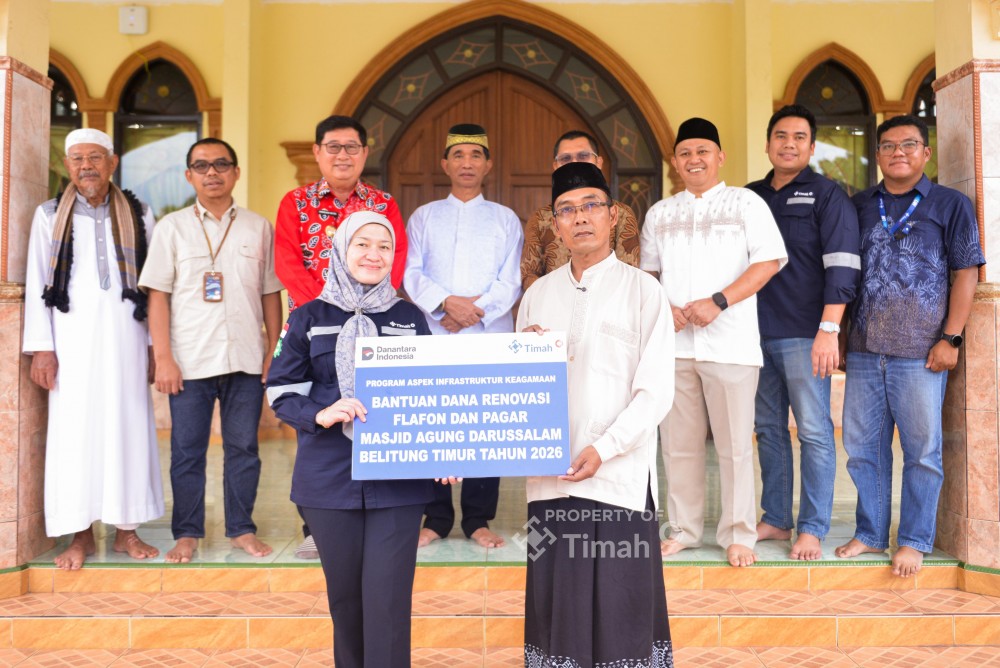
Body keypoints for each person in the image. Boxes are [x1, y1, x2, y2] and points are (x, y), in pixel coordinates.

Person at [518, 161, 674, 666]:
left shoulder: (643, 291)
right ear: (555, 224)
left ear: (612, 217)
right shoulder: (537, 296)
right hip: (551, 479)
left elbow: (655, 393)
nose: (579, 217)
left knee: (620, 613)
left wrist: (603, 448)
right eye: (567, 210)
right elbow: (517, 390)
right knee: (555, 610)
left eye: (590, 206)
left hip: (617, 479)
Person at [267, 211, 434, 668]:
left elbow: (432, 392)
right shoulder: (306, 317)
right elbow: (280, 390)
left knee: (388, 602)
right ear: (341, 249)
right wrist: (319, 413)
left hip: (399, 482)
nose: (374, 254)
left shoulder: (408, 317)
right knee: (345, 602)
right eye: (362, 244)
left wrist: (444, 447)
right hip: (328, 481)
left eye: (384, 246)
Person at [835, 115, 983, 577]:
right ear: (877, 155)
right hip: (863, 348)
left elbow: (966, 272)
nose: (898, 152)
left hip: (922, 352)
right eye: (888, 146)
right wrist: (838, 336)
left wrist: (951, 337)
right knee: (862, 448)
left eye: (909, 145)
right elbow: (843, 273)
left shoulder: (950, 204)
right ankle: (871, 532)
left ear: (926, 153)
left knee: (922, 450)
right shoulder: (858, 206)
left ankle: (915, 539)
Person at [641, 117, 787, 567]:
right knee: (678, 446)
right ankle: (683, 530)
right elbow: (648, 274)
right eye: (685, 153)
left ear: (720, 156)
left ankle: (738, 534)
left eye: (703, 151)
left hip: (732, 346)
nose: (694, 159)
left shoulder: (746, 203)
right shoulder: (660, 213)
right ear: (674, 162)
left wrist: (719, 302)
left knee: (735, 446)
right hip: (676, 348)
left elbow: (768, 263)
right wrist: (664, 308)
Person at [23, 128, 164, 570]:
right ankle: (79, 534)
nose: (87, 165)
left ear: (112, 162)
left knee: (128, 428)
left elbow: (156, 287)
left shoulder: (141, 213)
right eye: (78, 158)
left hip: (128, 341)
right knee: (74, 434)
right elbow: (34, 285)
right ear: (68, 166)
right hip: (71, 344)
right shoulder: (49, 215)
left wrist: (156, 345)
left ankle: (126, 531)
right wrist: (43, 348)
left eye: (96, 157)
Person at [139, 138, 283, 563]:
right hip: (189, 361)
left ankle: (241, 530)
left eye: (222, 164)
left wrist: (273, 351)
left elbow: (271, 293)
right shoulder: (172, 228)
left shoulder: (258, 227)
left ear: (236, 172)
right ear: (189, 176)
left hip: (244, 358)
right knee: (187, 452)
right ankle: (187, 533)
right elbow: (158, 296)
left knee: (244, 450)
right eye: (201, 166)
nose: (212, 172)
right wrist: (163, 357)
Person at [274, 115, 407, 559]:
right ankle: (318, 523)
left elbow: (395, 255)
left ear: (365, 154)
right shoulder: (295, 202)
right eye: (333, 147)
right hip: (314, 324)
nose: (342, 155)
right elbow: (288, 262)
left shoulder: (383, 203)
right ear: (317, 153)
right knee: (317, 414)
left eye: (352, 147)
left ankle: (378, 504)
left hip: (376, 318)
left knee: (376, 408)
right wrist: (330, 308)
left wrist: (365, 305)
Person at [746, 105, 861, 560]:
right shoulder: (750, 196)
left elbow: (842, 265)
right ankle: (775, 519)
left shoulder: (827, 194)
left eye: (798, 137)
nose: (788, 144)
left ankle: (811, 527)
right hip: (752, 334)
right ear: (768, 143)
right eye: (780, 135)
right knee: (769, 430)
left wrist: (829, 329)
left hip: (805, 333)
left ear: (811, 147)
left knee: (813, 431)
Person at [404, 124, 522, 548]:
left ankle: (477, 519)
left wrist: (472, 312)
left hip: (485, 336)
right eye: (459, 155)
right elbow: (411, 273)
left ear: (488, 164)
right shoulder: (424, 216)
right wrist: (444, 305)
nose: (467, 163)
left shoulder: (505, 219)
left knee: (482, 425)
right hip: (435, 331)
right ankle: (435, 517)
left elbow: (511, 281)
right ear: (445, 165)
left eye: (475, 155)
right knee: (436, 424)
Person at [520, 130, 640, 291]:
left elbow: (628, 272)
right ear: (555, 166)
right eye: (565, 158)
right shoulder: (540, 218)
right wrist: (555, 300)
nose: (574, 163)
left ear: (599, 162)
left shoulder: (621, 213)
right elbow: (529, 274)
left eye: (583, 156)